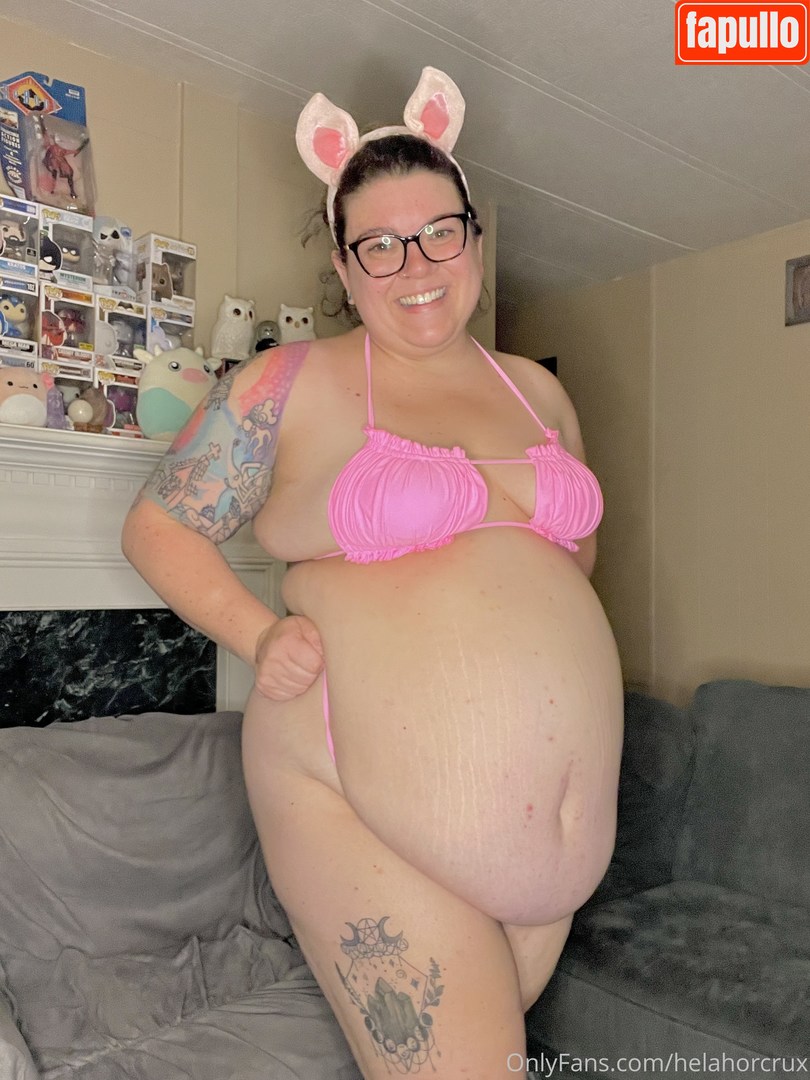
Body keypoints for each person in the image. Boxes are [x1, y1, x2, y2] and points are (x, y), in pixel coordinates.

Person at [122, 66, 624, 1080]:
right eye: (380, 245)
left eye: (439, 232)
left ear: (473, 240)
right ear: (346, 270)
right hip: (350, 792)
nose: (415, 264)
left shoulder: (536, 392)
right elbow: (157, 528)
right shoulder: (286, 385)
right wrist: (260, 634)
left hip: (549, 858)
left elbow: (574, 562)